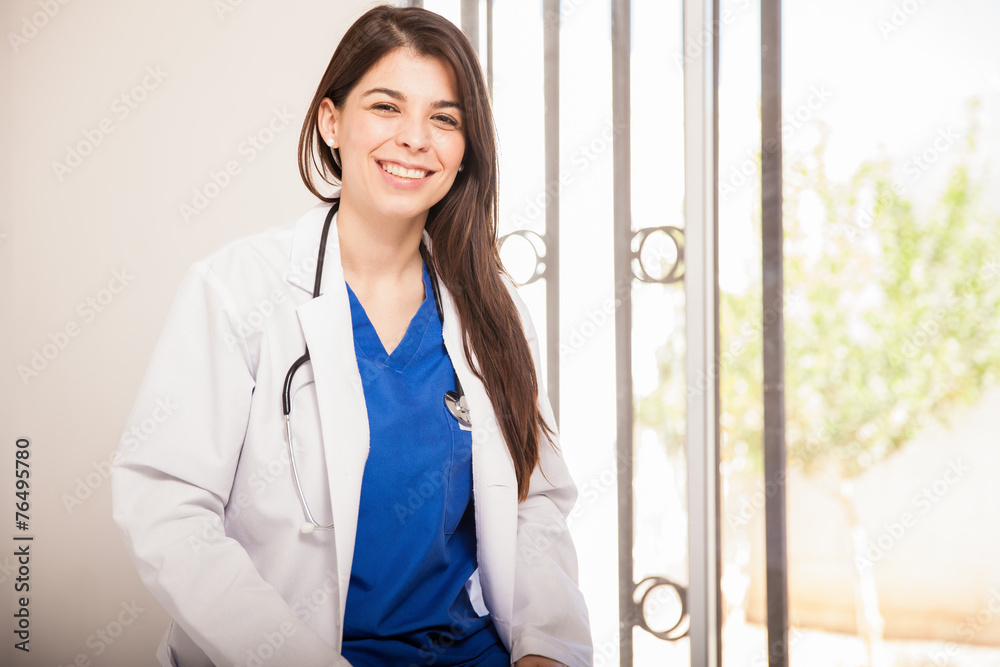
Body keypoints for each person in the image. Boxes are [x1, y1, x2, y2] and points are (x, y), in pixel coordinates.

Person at [111, 5, 592, 667]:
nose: (416, 139)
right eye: (386, 107)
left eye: (444, 118)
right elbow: (167, 504)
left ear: (464, 150)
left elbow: (535, 501)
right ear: (331, 121)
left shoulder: (491, 306)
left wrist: (546, 648)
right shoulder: (238, 290)